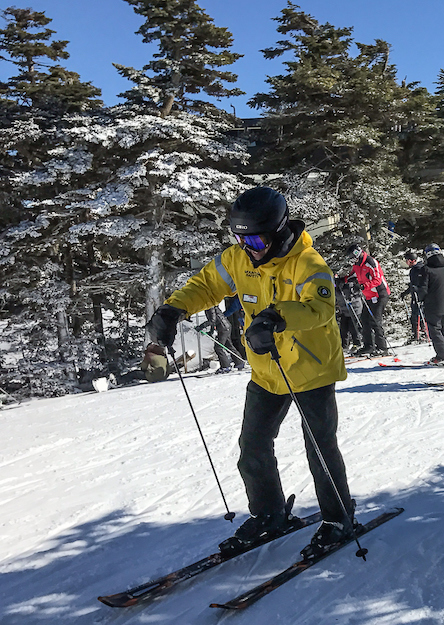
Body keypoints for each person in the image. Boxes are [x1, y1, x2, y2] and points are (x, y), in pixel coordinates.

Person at [146, 186, 356, 560]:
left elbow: (321, 310)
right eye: (241, 239)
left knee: (320, 450)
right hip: (266, 372)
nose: (249, 247)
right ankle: (269, 513)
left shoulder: (308, 263)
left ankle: (338, 519)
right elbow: (206, 285)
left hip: (310, 371)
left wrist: (277, 317)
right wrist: (173, 310)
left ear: (277, 231)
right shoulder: (237, 259)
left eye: (256, 239)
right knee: (253, 449)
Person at [349, 242, 390, 356]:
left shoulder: (371, 262)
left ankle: (382, 348)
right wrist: (343, 280)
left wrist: (363, 286)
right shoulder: (357, 265)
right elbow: (352, 275)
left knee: (375, 320)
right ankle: (368, 346)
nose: (353, 261)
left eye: (353, 257)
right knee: (365, 320)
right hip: (369, 296)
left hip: (379, 294)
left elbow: (377, 279)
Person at [197, 304, 246, 373]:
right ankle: (239, 363)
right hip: (226, 326)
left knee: (218, 348)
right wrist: (211, 332)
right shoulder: (212, 306)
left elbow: (212, 320)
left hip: (223, 328)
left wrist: (201, 326)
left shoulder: (210, 307)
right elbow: (214, 320)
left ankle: (226, 366)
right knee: (229, 346)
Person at [399, 250, 427, 343]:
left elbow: (420, 284)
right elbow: (412, 285)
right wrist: (406, 292)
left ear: (411, 260)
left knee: (417, 315)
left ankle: (419, 334)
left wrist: (417, 291)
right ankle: (418, 333)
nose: (406, 262)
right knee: (415, 315)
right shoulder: (415, 269)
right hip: (416, 295)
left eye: (407, 260)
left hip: (419, 296)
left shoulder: (419, 269)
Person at [335, 273, 363, 352]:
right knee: (343, 329)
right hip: (345, 310)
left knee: (353, 327)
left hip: (355, 309)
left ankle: (357, 344)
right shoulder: (337, 288)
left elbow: (357, 294)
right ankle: (344, 346)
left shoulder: (350, 284)